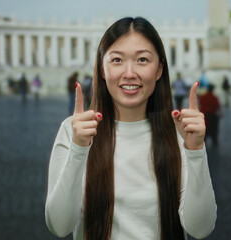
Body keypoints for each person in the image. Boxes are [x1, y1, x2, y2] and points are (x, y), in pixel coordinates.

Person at [45, 17, 216, 240]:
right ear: (102, 69)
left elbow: (200, 229)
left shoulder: (181, 133)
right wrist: (78, 149)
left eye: (142, 60)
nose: (129, 73)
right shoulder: (73, 131)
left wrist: (195, 151)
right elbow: (59, 226)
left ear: (159, 70)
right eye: (117, 60)